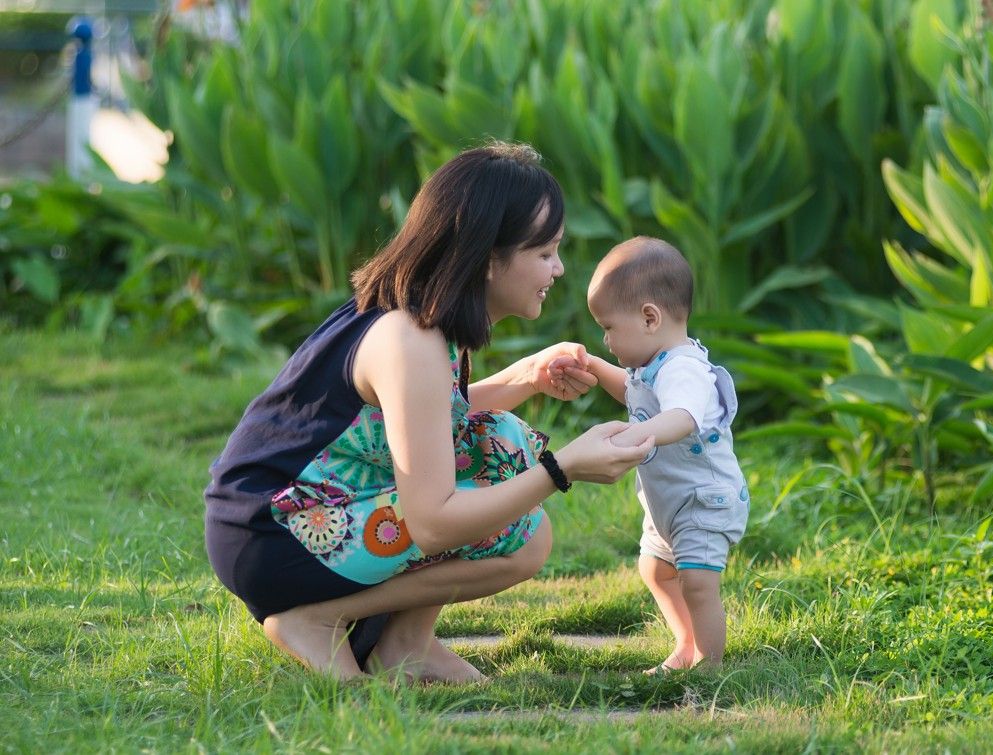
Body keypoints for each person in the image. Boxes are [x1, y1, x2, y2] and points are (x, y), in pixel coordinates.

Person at [203, 143, 654, 683]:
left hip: (299, 516)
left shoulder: (425, 319)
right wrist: (563, 469)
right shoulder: (411, 340)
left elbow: (424, 421)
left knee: (516, 507)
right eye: (545, 252)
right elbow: (434, 521)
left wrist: (525, 377)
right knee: (503, 455)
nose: (557, 269)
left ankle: (404, 646)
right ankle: (320, 618)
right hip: (271, 532)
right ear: (489, 258)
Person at [580, 236, 749, 671]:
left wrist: (638, 438)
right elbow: (639, 396)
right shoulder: (651, 367)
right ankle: (686, 645)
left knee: (697, 583)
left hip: (702, 501)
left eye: (609, 327)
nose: (605, 338)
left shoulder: (684, 368)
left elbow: (681, 416)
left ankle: (709, 665)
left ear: (649, 317)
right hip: (667, 505)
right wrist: (598, 370)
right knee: (655, 572)